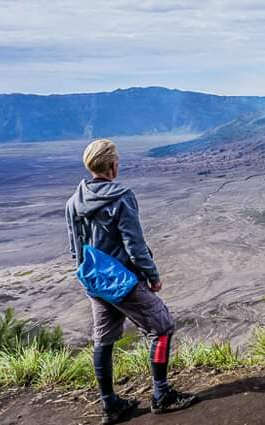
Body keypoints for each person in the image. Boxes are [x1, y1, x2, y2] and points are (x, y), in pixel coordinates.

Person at [65, 139, 196, 424]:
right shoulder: (121, 196)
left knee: (104, 339)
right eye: (118, 160)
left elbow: (75, 249)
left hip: (93, 281)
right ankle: (162, 395)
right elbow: (134, 245)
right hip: (122, 281)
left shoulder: (74, 202)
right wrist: (153, 276)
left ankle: (110, 404)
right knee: (162, 327)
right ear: (112, 165)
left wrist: (89, 278)